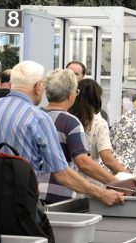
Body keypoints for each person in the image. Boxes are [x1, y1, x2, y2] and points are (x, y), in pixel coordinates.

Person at [0, 61, 124, 229]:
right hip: (17, 208)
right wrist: (101, 193)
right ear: (38, 87)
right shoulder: (38, 118)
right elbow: (62, 174)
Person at [37, 69, 121, 203]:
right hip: (58, 194)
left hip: (31, 192)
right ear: (70, 95)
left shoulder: (35, 115)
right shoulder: (70, 122)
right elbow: (83, 162)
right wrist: (117, 182)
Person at [69, 78, 127, 174]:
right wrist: (130, 177)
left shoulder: (67, 119)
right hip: (90, 179)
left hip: (68, 179)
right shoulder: (99, 123)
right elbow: (107, 158)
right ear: (96, 99)